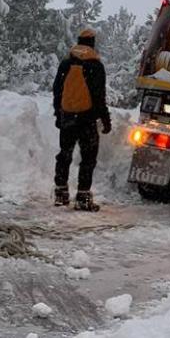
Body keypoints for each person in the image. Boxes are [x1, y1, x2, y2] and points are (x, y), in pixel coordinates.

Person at [53, 28, 112, 211]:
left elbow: (57, 90)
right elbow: (99, 96)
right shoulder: (95, 65)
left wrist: (58, 114)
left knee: (65, 154)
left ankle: (61, 193)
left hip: (68, 116)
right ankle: (83, 197)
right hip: (86, 119)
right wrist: (105, 119)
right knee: (88, 158)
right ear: (92, 43)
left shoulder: (66, 63)